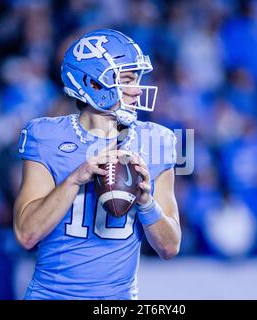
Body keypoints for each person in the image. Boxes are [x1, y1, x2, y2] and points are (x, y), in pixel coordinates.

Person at [13, 29, 181, 300]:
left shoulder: (157, 140)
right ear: (93, 84)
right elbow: (26, 234)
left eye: (137, 79)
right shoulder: (46, 136)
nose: (137, 89)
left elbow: (170, 247)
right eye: (127, 79)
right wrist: (74, 180)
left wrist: (147, 202)